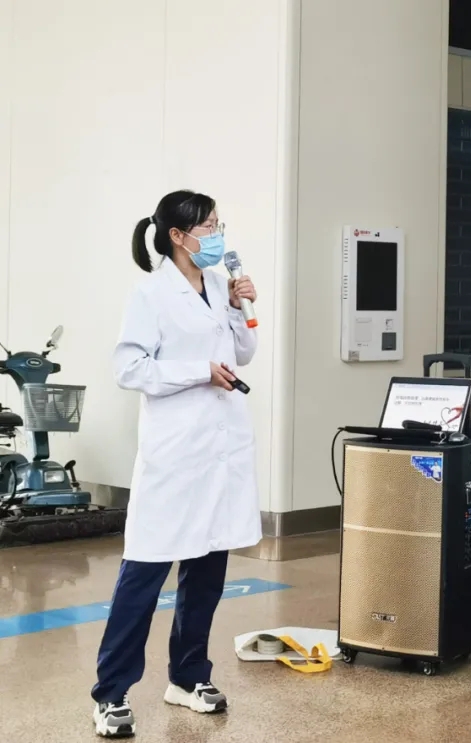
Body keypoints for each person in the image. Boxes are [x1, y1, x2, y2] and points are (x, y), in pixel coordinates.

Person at [91, 190, 261, 738]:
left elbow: (244, 354)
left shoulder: (217, 284)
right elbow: (129, 369)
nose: (218, 234)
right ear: (177, 236)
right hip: (175, 455)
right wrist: (197, 371)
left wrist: (239, 308)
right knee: (143, 575)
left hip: (220, 453)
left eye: (218, 223)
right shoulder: (150, 293)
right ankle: (111, 693)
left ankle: (188, 677)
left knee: (206, 575)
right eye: (209, 226)